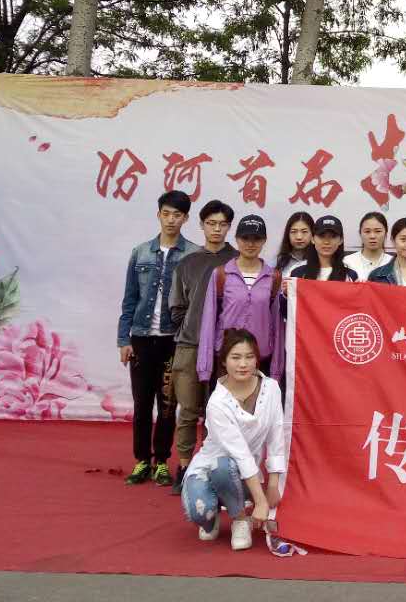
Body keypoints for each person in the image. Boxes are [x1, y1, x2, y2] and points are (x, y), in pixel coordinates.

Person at [117, 190, 199, 487]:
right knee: (141, 404)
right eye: (166, 214)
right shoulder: (140, 253)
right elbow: (129, 299)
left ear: (185, 218)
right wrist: (123, 339)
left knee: (167, 405)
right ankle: (142, 460)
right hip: (141, 338)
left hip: (172, 340)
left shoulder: (193, 255)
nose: (171, 220)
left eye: (177, 215)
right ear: (158, 215)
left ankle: (162, 461)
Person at [181, 329, 286, 552]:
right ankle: (222, 514)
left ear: (257, 359)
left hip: (242, 476)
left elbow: (277, 436)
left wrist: (273, 485)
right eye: (236, 357)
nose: (243, 364)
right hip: (210, 468)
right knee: (201, 512)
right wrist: (261, 501)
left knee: (226, 468)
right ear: (224, 361)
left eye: (249, 357)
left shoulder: (272, 389)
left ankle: (240, 520)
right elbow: (240, 453)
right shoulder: (217, 402)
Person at [168, 198, 236, 495]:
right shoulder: (188, 262)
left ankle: (212, 468)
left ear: (229, 227)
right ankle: (184, 467)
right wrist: (194, 326)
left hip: (226, 350)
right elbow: (177, 307)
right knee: (187, 410)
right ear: (201, 225)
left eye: (222, 224)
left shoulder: (237, 260)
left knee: (219, 413)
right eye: (211, 223)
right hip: (190, 345)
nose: (216, 229)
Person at [196, 215, 286, 386]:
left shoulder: (274, 277)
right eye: (245, 238)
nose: (250, 244)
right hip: (226, 360)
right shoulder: (221, 274)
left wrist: (276, 371)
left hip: (260, 360)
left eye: (256, 239)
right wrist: (205, 368)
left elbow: (277, 326)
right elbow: (208, 321)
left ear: (264, 241)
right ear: (236, 239)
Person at [291, 215, 359, 282]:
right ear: (312, 239)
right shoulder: (297, 273)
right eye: (321, 236)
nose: (326, 242)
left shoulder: (351, 275)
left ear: (341, 240)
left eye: (332, 236)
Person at [343, 211, 392, 280]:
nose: (372, 236)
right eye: (367, 231)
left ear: (386, 233)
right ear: (360, 233)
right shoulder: (347, 262)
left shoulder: (393, 263)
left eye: (378, 231)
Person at [274, 211, 314, 277]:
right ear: (287, 234)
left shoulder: (320, 260)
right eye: (294, 232)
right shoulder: (278, 262)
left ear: (313, 233)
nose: (299, 237)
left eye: (304, 232)